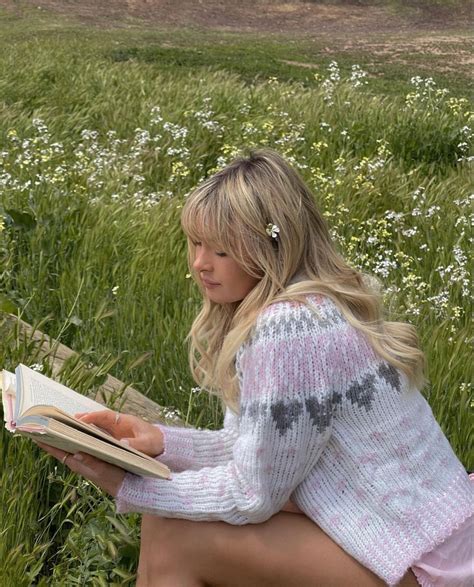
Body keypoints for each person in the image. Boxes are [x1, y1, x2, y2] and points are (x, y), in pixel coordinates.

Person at [36, 149, 473, 587]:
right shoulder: (314, 304)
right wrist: (162, 442)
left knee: (177, 539)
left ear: (273, 247)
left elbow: (255, 494)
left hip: (423, 562)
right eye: (196, 242)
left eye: (221, 250)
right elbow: (268, 451)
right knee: (166, 520)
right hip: (432, 536)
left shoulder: (290, 328)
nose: (199, 263)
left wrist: (129, 487)